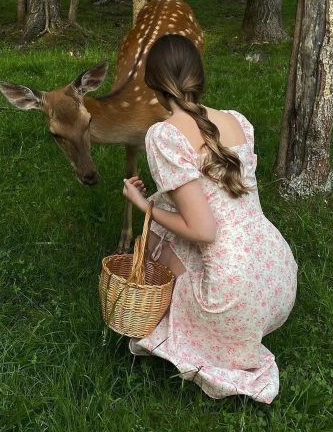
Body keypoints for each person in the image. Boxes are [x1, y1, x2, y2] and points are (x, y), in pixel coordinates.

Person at [122, 34, 297, 402]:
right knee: (168, 208)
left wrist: (144, 207)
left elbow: (203, 230)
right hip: (278, 277)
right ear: (199, 78)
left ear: (153, 85)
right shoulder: (236, 121)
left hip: (229, 298)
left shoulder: (164, 135)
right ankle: (238, 323)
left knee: (155, 229)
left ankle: (199, 326)